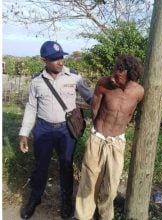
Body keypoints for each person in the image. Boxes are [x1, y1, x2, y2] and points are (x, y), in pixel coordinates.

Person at [19, 41, 93, 219]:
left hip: (66, 130)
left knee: (66, 165)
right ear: (44, 60)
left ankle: (66, 200)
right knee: (40, 166)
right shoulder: (37, 81)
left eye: (61, 57)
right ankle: (35, 198)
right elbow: (31, 107)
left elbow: (91, 97)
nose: (60, 62)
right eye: (55, 59)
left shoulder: (74, 77)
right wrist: (24, 132)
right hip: (43, 129)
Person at [75, 54, 144, 220]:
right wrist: (99, 130)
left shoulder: (138, 92)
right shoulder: (103, 84)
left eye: (118, 76)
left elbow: (131, 114)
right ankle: (83, 216)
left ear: (130, 77)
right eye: (113, 71)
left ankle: (105, 215)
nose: (112, 77)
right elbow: (94, 110)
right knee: (89, 181)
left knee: (112, 185)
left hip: (117, 143)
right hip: (97, 139)